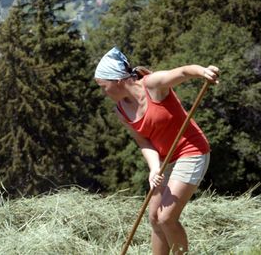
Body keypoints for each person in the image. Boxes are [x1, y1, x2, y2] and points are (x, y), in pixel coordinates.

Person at [94, 47, 219, 255]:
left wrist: (203, 71)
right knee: (154, 217)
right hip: (165, 159)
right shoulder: (121, 109)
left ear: (117, 80)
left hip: (191, 150)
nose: (102, 92)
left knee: (166, 217)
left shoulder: (152, 85)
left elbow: (183, 72)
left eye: (103, 86)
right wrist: (155, 168)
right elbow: (143, 142)